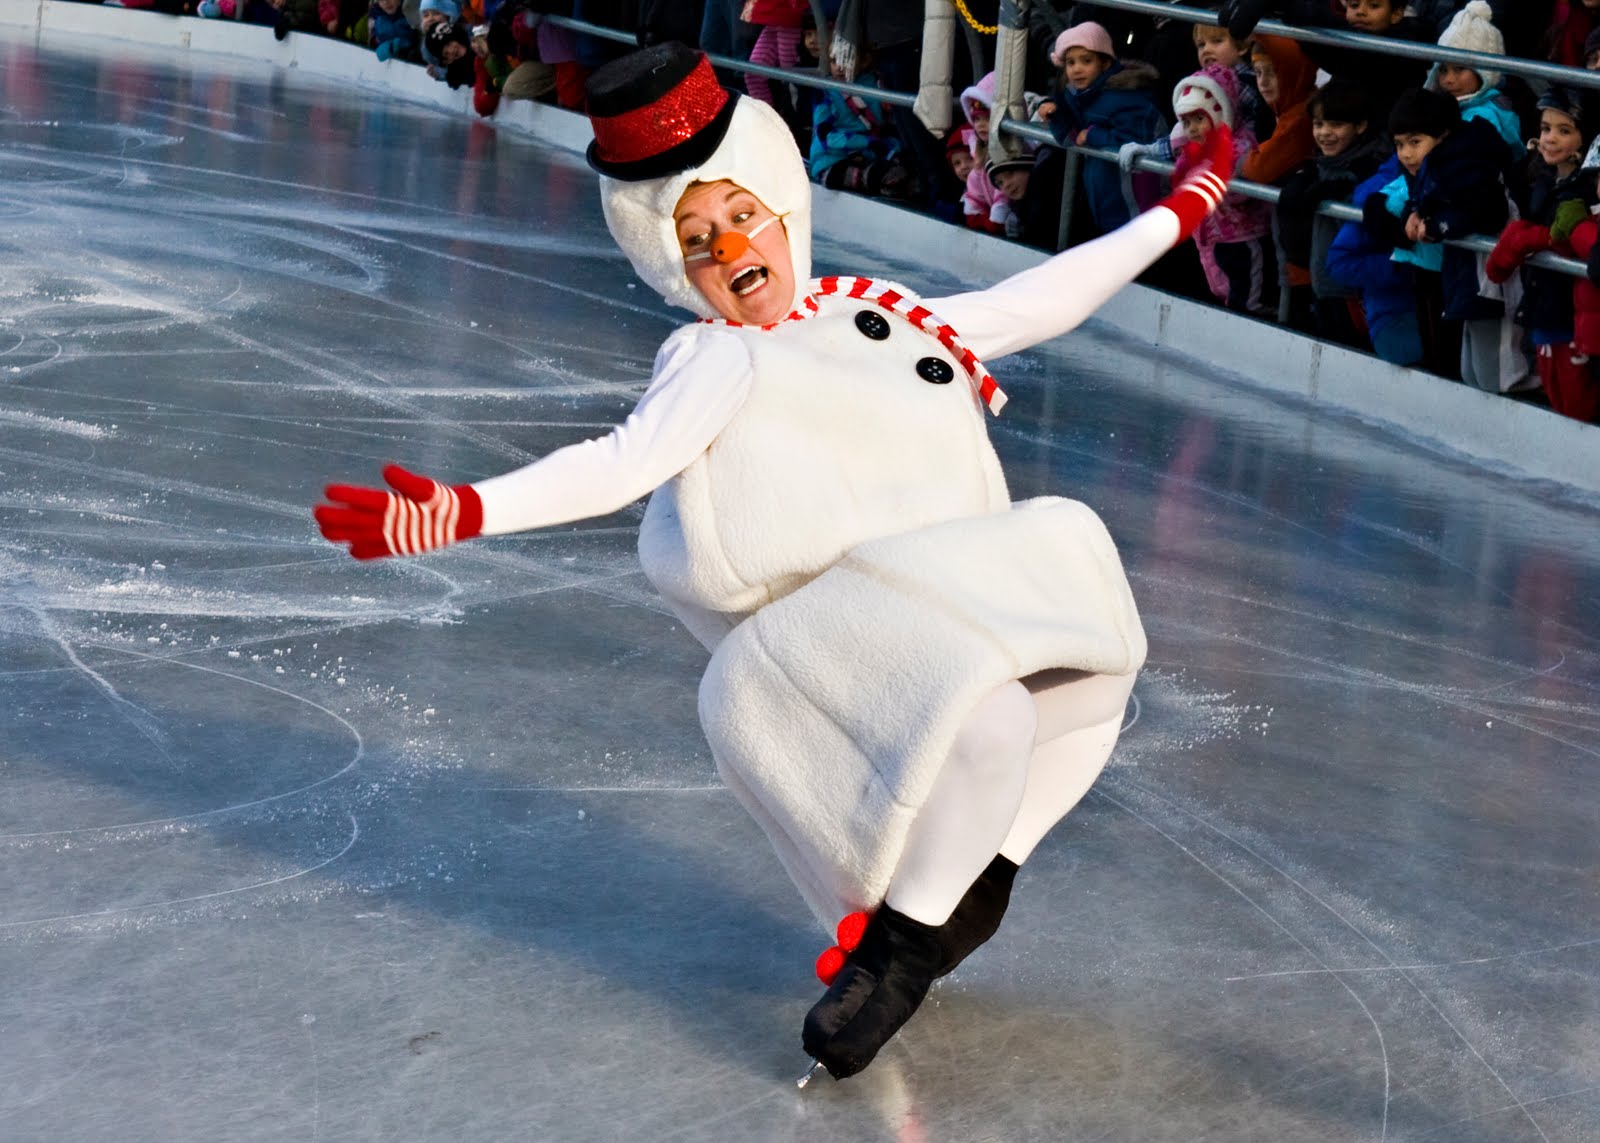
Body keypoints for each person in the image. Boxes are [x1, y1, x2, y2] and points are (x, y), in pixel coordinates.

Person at [313, 42, 1239, 1082]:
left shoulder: (877, 311)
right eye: (696, 237)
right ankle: (899, 951)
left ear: (780, 210)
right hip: (833, 648)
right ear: (676, 266)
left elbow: (1039, 301)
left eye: (738, 214)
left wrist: (1185, 208)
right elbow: (624, 462)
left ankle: (974, 885)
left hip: (947, 604)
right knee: (990, 718)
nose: (726, 245)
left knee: (1094, 662)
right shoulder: (718, 354)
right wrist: (465, 509)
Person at [1489, 87, 1600, 420]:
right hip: (1545, 306)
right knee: (1557, 401)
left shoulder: (1585, 190)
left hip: (1573, 315)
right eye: (1546, 129)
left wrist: (1530, 238)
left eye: (1564, 131)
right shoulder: (1540, 177)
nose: (1550, 139)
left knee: (1579, 406)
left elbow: (1577, 243)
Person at [1276, 80, 1388, 349]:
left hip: (1352, 291)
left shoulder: (1369, 169)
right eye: (1319, 124)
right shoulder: (1318, 167)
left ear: (1360, 126)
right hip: (1322, 284)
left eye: (1336, 125)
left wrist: (1342, 194)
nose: (1325, 133)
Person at [1035, 21, 1167, 236]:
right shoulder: (1080, 96)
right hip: (1106, 193)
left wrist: (1093, 135)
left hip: (1135, 196)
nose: (1077, 68)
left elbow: (1135, 143)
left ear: (1105, 63)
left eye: (1086, 60)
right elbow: (1070, 138)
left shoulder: (1128, 96)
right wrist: (1055, 115)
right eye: (1070, 62)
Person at [1169, 65, 1275, 316]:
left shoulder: (1238, 145)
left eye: (1199, 119)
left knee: (1246, 296)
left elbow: (1244, 193)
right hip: (1210, 235)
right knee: (1221, 288)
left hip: (1241, 235)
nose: (1193, 128)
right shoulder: (1191, 151)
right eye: (1186, 122)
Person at [1425, 1, 1522, 159]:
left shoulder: (1484, 119)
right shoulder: (1440, 106)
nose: (1448, 80)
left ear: (1484, 72)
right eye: (1443, 69)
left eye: (1459, 69)